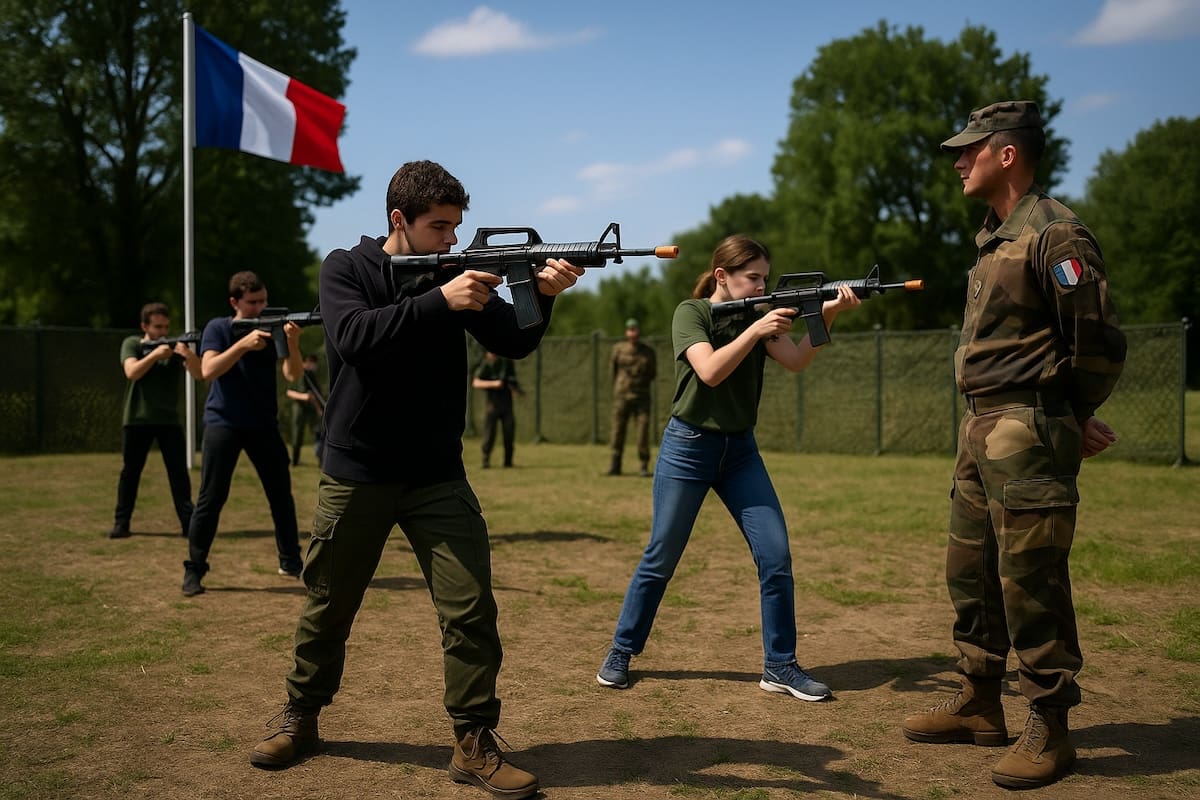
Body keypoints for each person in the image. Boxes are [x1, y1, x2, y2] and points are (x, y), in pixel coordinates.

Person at [249, 160, 584, 800]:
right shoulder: (346, 267)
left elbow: (512, 341)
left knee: (470, 609)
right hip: (358, 471)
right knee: (328, 604)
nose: (452, 240)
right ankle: (301, 716)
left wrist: (541, 296)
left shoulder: (452, 272)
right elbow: (353, 337)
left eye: (456, 227)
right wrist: (438, 301)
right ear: (399, 219)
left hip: (436, 474)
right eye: (439, 227)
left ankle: (473, 742)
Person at [901, 101, 1126, 790]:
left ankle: (1050, 725)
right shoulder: (993, 237)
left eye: (969, 150)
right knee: (969, 570)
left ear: (1007, 154)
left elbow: (1097, 341)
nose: (958, 163)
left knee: (1031, 579)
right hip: (980, 429)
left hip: (1026, 428)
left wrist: (1067, 415)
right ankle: (979, 701)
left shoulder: (1055, 235)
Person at [596, 234, 860, 702]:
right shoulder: (691, 313)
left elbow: (797, 360)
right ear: (722, 275)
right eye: (752, 277)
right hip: (688, 448)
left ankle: (780, 665)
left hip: (740, 452)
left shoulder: (759, 315)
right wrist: (755, 331)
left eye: (765, 279)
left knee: (775, 556)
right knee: (661, 557)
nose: (761, 287)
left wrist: (829, 313)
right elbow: (711, 371)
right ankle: (621, 651)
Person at [181, 271, 306, 596]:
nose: (259, 307)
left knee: (281, 496)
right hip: (223, 422)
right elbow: (208, 370)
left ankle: (291, 561)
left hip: (263, 424)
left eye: (263, 301)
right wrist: (242, 345)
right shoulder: (218, 328)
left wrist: (292, 342)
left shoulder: (272, 327)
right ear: (234, 302)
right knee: (211, 498)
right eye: (252, 302)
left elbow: (292, 374)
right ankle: (194, 569)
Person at [109, 302, 203, 539]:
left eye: (166, 327)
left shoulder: (173, 348)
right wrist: (154, 355)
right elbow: (132, 372)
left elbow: (199, 373)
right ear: (145, 326)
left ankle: (188, 524)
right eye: (157, 327)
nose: (163, 332)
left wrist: (187, 354)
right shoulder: (132, 344)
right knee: (131, 473)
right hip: (137, 419)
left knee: (178, 474)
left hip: (169, 420)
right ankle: (121, 523)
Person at [607, 317, 656, 477]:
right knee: (617, 431)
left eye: (635, 329)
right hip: (622, 396)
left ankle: (643, 465)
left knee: (642, 432)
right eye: (630, 330)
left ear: (639, 331)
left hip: (642, 397)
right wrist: (620, 386)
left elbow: (652, 373)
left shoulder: (648, 352)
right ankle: (615, 465)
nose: (632, 333)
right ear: (626, 332)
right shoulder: (618, 349)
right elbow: (613, 371)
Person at [472, 350, 523, 468]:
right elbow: (476, 382)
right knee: (489, 434)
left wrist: (516, 390)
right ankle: (485, 460)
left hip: (507, 406)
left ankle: (508, 462)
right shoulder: (486, 365)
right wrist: (494, 384)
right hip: (492, 406)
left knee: (509, 433)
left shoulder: (507, 363)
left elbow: (512, 382)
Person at [285, 353, 325, 467]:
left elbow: (316, 395)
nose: (313, 365)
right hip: (299, 409)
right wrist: (304, 397)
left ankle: (322, 460)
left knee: (318, 434)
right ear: (305, 362)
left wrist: (319, 409)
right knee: (297, 435)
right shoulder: (298, 374)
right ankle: (295, 461)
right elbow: (289, 392)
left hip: (312, 409)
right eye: (311, 362)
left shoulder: (311, 376)